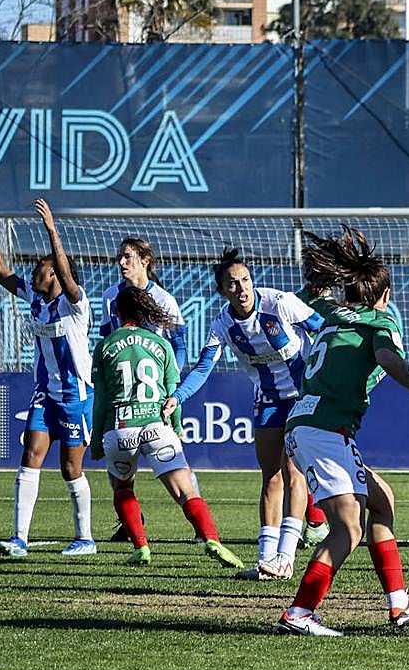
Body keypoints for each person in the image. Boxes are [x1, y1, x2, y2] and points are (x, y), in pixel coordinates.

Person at [276, 227, 409, 636]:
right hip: (324, 430)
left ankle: (399, 604)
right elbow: (388, 359)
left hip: (308, 425)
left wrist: (321, 281)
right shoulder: (380, 319)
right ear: (385, 293)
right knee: (347, 529)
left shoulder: (333, 312)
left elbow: (307, 297)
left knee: (381, 499)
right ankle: (300, 612)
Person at [162, 248, 325, 581]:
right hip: (267, 400)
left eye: (245, 280)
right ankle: (266, 562)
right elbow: (203, 367)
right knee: (271, 477)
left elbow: (323, 328)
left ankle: (286, 558)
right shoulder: (222, 323)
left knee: (294, 474)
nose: (242, 288)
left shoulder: (280, 303)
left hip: (303, 397)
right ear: (223, 290)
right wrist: (178, 397)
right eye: (233, 284)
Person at [0, 196, 96, 559]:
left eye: (42, 267)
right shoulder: (35, 300)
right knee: (30, 455)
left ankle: (85, 538)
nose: (34, 272)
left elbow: (68, 277)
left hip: (76, 397)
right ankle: (19, 539)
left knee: (71, 468)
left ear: (56, 273)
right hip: (46, 395)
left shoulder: (76, 304)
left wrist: (52, 231)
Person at [89, 285, 243, 569]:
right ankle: (211, 539)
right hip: (157, 426)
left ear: (118, 312)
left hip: (120, 428)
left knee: (123, 488)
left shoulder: (105, 346)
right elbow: (172, 393)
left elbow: (100, 400)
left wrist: (96, 440)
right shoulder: (160, 345)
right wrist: (176, 424)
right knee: (186, 491)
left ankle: (141, 547)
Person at [99, 236, 188, 543]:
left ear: (145, 260)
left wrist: (171, 389)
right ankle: (130, 522)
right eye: (119, 257)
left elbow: (180, 346)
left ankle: (199, 526)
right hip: (123, 393)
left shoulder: (164, 300)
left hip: (156, 394)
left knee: (174, 460)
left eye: (127, 257)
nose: (121, 263)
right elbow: (106, 340)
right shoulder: (110, 296)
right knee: (121, 465)